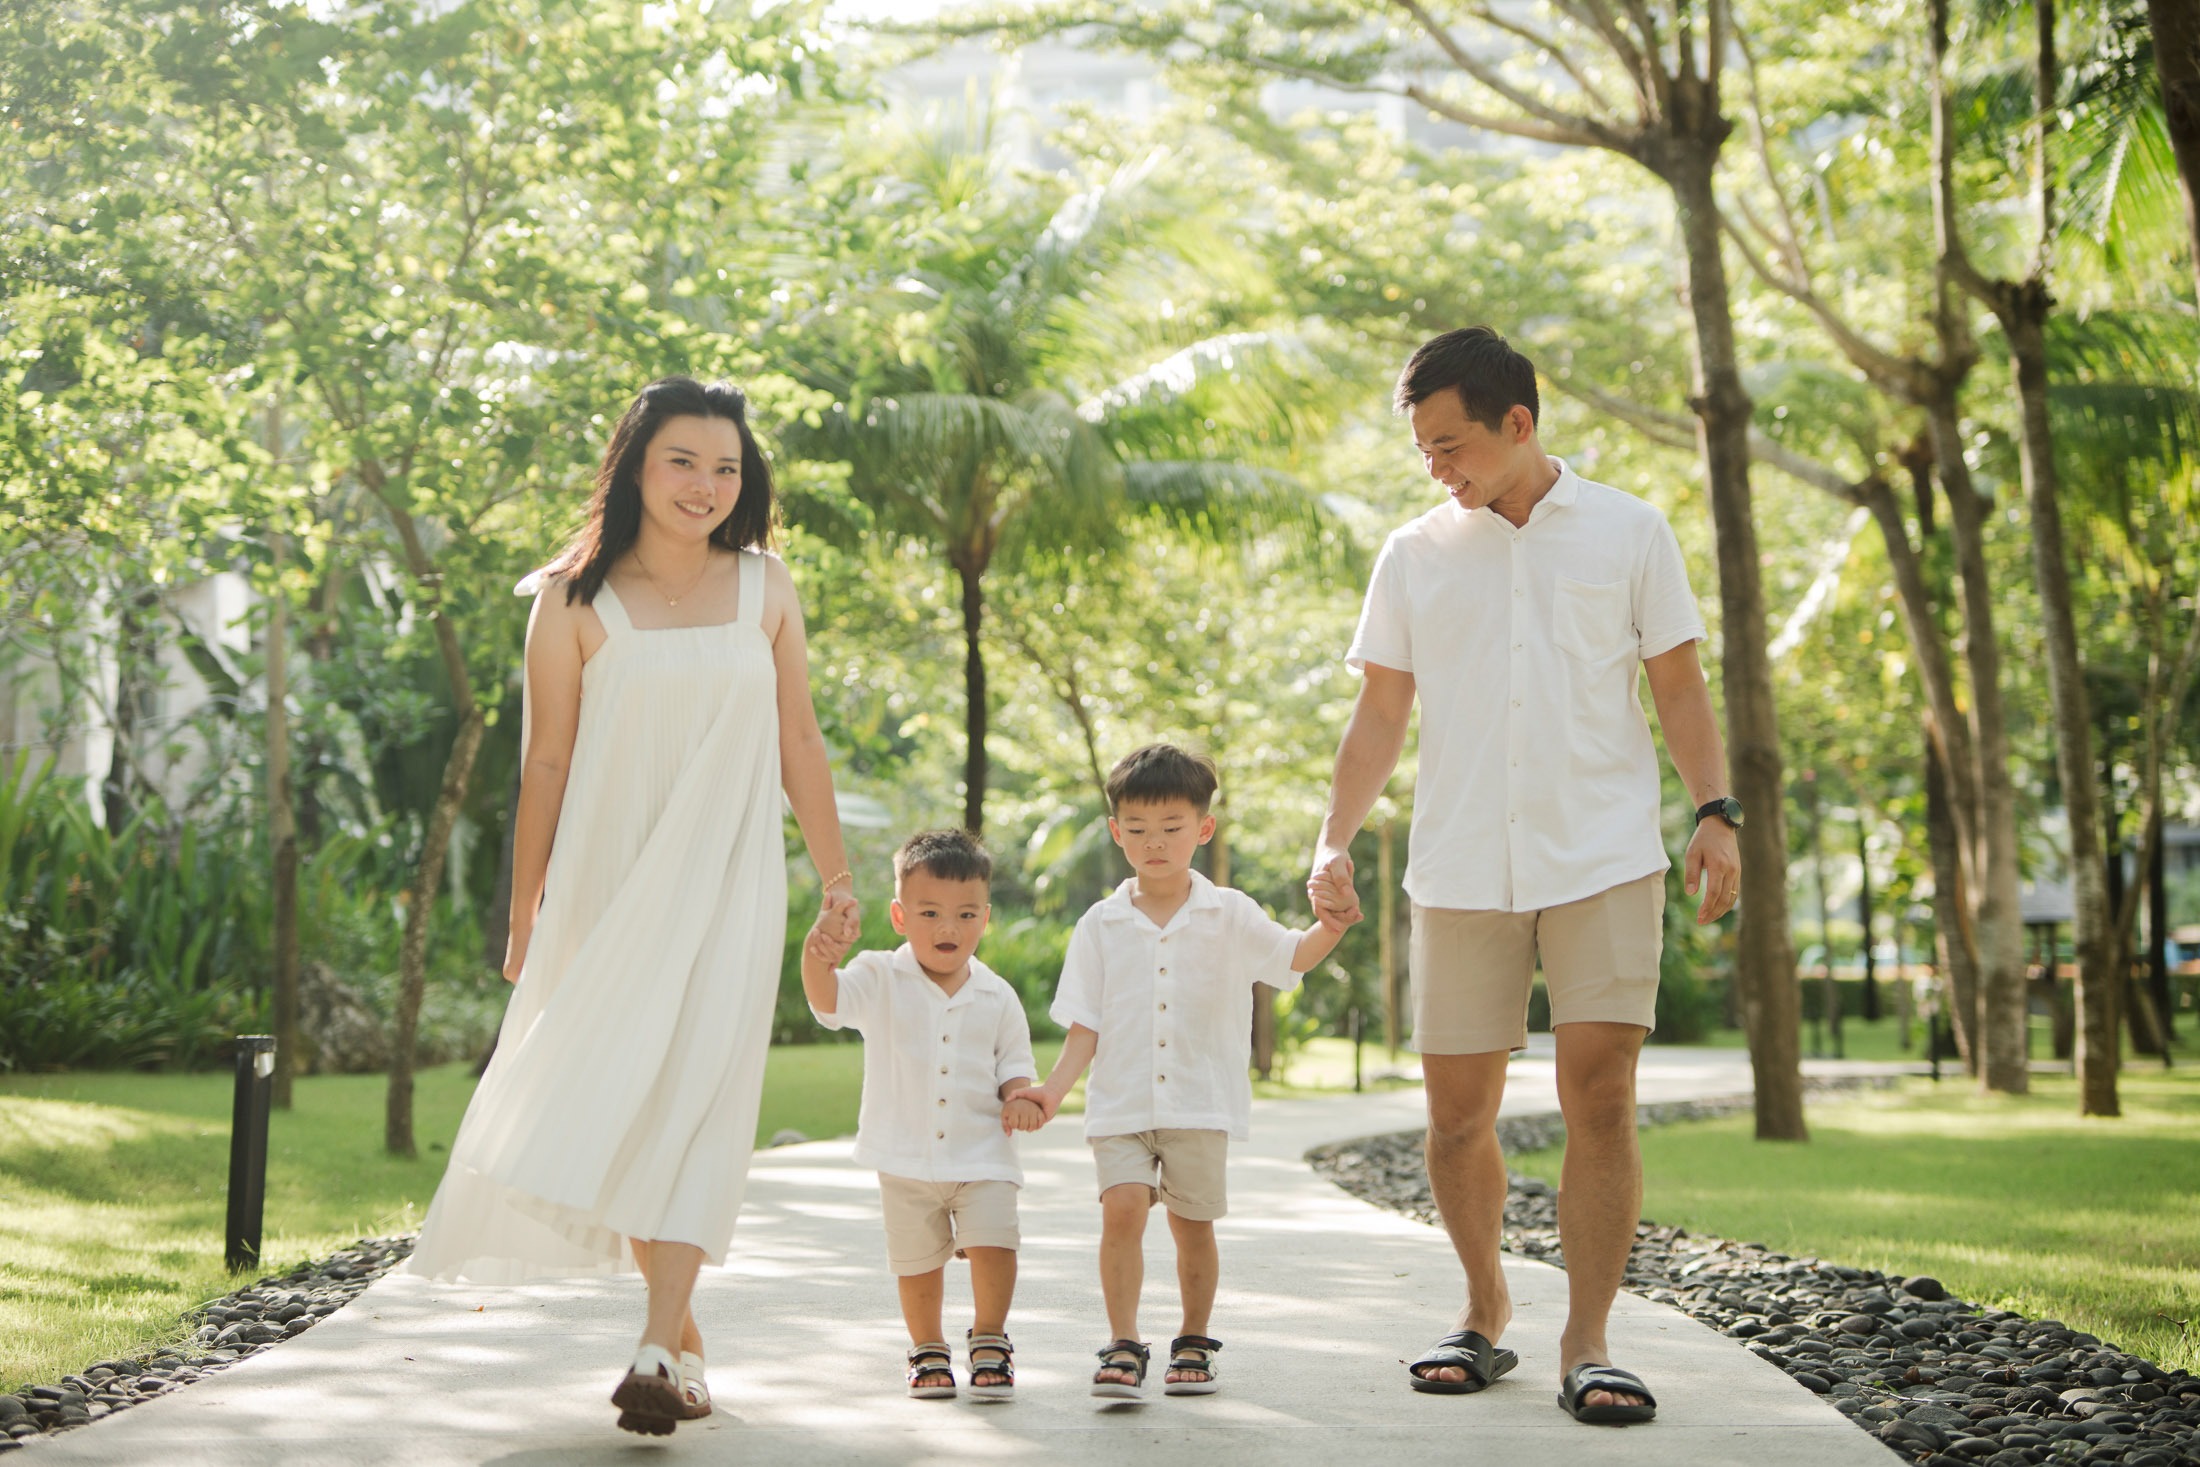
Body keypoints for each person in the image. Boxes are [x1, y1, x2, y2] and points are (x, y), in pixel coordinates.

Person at [406, 376, 861, 1437]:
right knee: (623, 1101)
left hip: (732, 882)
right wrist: (525, 908)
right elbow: (547, 764)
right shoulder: (570, 600)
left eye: (726, 468)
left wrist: (836, 882)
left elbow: (801, 743)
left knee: (700, 1098)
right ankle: (681, 1342)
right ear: (635, 466)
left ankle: (656, 1346)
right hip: (608, 887)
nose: (705, 485)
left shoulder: (768, 586)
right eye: (682, 462)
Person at [1307, 327, 1741, 1427]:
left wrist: (1714, 812)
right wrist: (1332, 837)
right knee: (1457, 1115)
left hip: (1600, 853)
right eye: (1421, 451)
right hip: (1460, 861)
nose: (1435, 467)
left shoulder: (1630, 532)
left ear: (1518, 422)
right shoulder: (1413, 552)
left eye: (1449, 444)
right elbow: (1378, 715)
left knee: (1600, 1098)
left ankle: (1588, 1343)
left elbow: (1680, 688)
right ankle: (1482, 1305)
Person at [1021, 744, 1357, 1400]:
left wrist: (1332, 925)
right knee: (1121, 1208)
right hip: (1120, 1103)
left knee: (1190, 1223)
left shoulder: (1230, 912)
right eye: (1138, 829)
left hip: (1201, 1103)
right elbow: (1084, 1024)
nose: (1155, 842)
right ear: (1117, 832)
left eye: (1172, 828)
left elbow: (1291, 956)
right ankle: (1122, 1341)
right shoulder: (1100, 924)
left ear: (1202, 829)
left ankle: (1194, 1338)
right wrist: (1054, 1089)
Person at [800, 828, 1044, 1401]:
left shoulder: (997, 996)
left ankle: (990, 1337)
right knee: (916, 1261)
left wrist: (1019, 1099)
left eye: (964, 914)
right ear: (900, 915)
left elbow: (1015, 1064)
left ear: (985, 917)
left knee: (995, 1243)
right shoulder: (879, 975)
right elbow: (827, 1002)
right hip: (904, 1154)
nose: (948, 928)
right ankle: (927, 1346)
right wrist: (819, 955)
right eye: (930, 912)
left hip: (983, 1152)